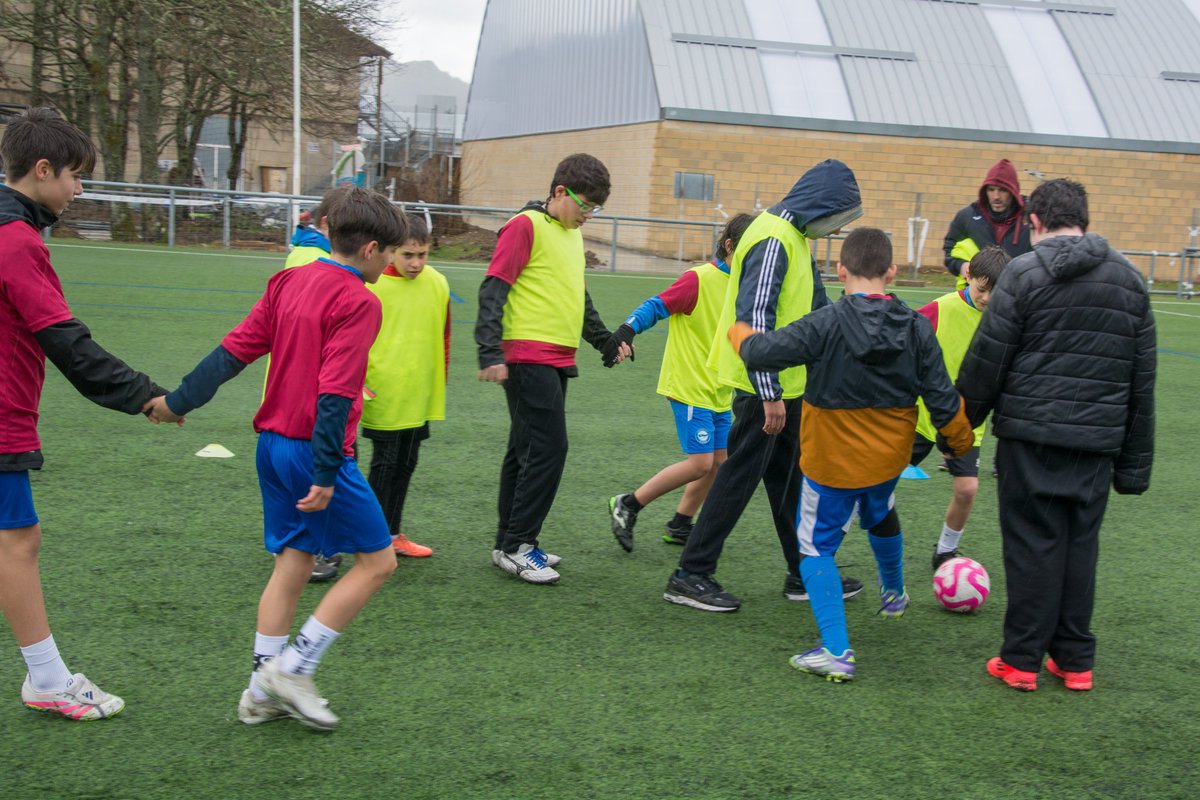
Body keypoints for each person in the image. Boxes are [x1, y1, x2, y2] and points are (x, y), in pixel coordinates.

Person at [148, 187, 407, 729]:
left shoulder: (291, 279)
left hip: (270, 446)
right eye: (392, 255)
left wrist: (177, 402)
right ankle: (293, 668)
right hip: (314, 450)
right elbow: (335, 393)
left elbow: (233, 351)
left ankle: (259, 692)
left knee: (293, 561)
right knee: (378, 561)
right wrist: (327, 470)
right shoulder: (361, 300)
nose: (393, 265)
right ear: (371, 249)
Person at [730, 227, 974, 682]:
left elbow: (763, 353)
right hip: (888, 460)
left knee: (814, 548)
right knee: (880, 511)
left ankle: (837, 652)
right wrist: (961, 447)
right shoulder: (917, 325)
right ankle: (895, 594)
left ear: (840, 270)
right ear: (891, 272)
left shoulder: (825, 322)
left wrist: (739, 333)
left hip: (830, 463)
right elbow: (944, 399)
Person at [1, 107, 169, 720]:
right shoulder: (15, 241)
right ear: (42, 170)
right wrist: (145, 395)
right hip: (0, 416)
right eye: (74, 176)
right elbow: (67, 343)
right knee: (18, 541)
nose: (78, 189)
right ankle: (46, 679)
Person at [956, 179, 1155, 693]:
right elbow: (1142, 380)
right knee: (1078, 546)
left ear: (1034, 223)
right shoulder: (1130, 280)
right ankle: (1074, 660)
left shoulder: (1023, 274)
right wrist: (1134, 464)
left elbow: (988, 360)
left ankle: (1021, 659)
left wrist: (959, 425)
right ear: (1084, 221)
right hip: (1096, 442)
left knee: (1031, 546)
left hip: (1030, 436)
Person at [662, 159, 865, 613]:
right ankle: (691, 574)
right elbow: (755, 316)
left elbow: (813, 309)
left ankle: (801, 571)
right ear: (820, 203)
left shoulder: (792, 236)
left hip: (786, 384)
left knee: (788, 480)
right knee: (738, 475)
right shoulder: (774, 236)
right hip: (763, 385)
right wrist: (769, 391)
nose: (834, 229)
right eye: (837, 216)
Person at [475, 153, 628, 584]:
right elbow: (494, 287)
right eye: (585, 206)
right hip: (527, 358)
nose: (589, 216)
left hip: (557, 360)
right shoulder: (525, 226)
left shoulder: (570, 236)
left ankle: (510, 542)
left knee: (523, 450)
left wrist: (606, 342)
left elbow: (578, 300)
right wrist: (489, 351)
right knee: (549, 449)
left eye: (596, 210)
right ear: (560, 192)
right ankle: (519, 545)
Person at [606, 213, 755, 551]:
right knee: (700, 462)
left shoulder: (744, 287)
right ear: (729, 245)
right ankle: (628, 504)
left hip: (719, 389)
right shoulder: (698, 279)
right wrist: (627, 331)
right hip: (690, 387)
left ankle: (680, 523)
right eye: (749, 249)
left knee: (720, 461)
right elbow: (656, 306)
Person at [910, 246, 1010, 569]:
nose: (986, 299)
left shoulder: (1005, 322)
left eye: (995, 293)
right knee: (870, 481)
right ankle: (826, 546)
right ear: (967, 276)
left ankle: (945, 551)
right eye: (982, 290)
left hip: (966, 423)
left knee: (967, 489)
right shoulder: (938, 310)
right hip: (919, 419)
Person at [360, 215, 442, 559]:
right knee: (385, 464)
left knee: (406, 463)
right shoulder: (371, 284)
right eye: (408, 255)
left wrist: (437, 384)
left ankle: (391, 534)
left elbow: (443, 337)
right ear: (391, 251)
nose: (416, 263)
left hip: (417, 393)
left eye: (422, 255)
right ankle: (371, 539)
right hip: (381, 392)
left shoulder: (437, 283)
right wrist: (358, 383)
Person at [942, 158, 1031, 289]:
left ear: (1013, 191)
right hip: (978, 297)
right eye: (991, 189)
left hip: (1019, 295)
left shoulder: (1032, 217)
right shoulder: (967, 216)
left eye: (1003, 190)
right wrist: (961, 266)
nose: (996, 196)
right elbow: (949, 251)